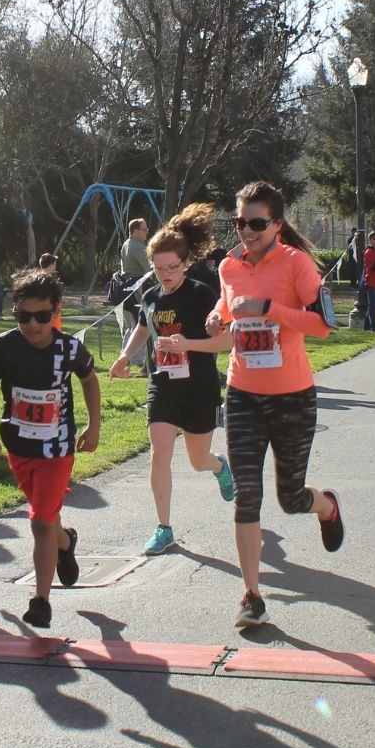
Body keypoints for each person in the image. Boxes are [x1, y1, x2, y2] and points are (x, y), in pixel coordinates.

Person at [160, 181, 343, 630]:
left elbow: (323, 327)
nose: (246, 230)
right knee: (247, 496)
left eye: (256, 223)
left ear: (277, 225)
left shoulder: (297, 265)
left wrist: (270, 308)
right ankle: (251, 595)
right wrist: (217, 317)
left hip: (292, 395)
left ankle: (326, 506)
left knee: (289, 497)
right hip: (242, 392)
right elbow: (226, 307)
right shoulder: (228, 266)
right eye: (239, 222)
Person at [0, 269, 102, 629]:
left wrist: (95, 425)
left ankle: (41, 600)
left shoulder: (68, 348)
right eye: (23, 316)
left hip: (57, 448)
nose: (33, 325)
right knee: (47, 519)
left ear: (56, 312)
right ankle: (65, 543)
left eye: (42, 316)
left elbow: (90, 382)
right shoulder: (5, 346)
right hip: (19, 446)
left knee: (40, 521)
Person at [108, 204, 233, 555]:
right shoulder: (149, 296)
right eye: (159, 268)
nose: (165, 274)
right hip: (162, 384)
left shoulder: (201, 294)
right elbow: (143, 329)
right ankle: (163, 527)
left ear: (185, 263)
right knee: (159, 454)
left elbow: (226, 341)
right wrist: (123, 356)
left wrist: (188, 344)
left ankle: (219, 466)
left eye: (172, 268)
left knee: (197, 459)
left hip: (199, 386)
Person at [38, 253, 64, 331]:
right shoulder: (51, 282)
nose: (55, 266)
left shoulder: (35, 280)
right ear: (51, 265)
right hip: (51, 317)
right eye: (54, 264)